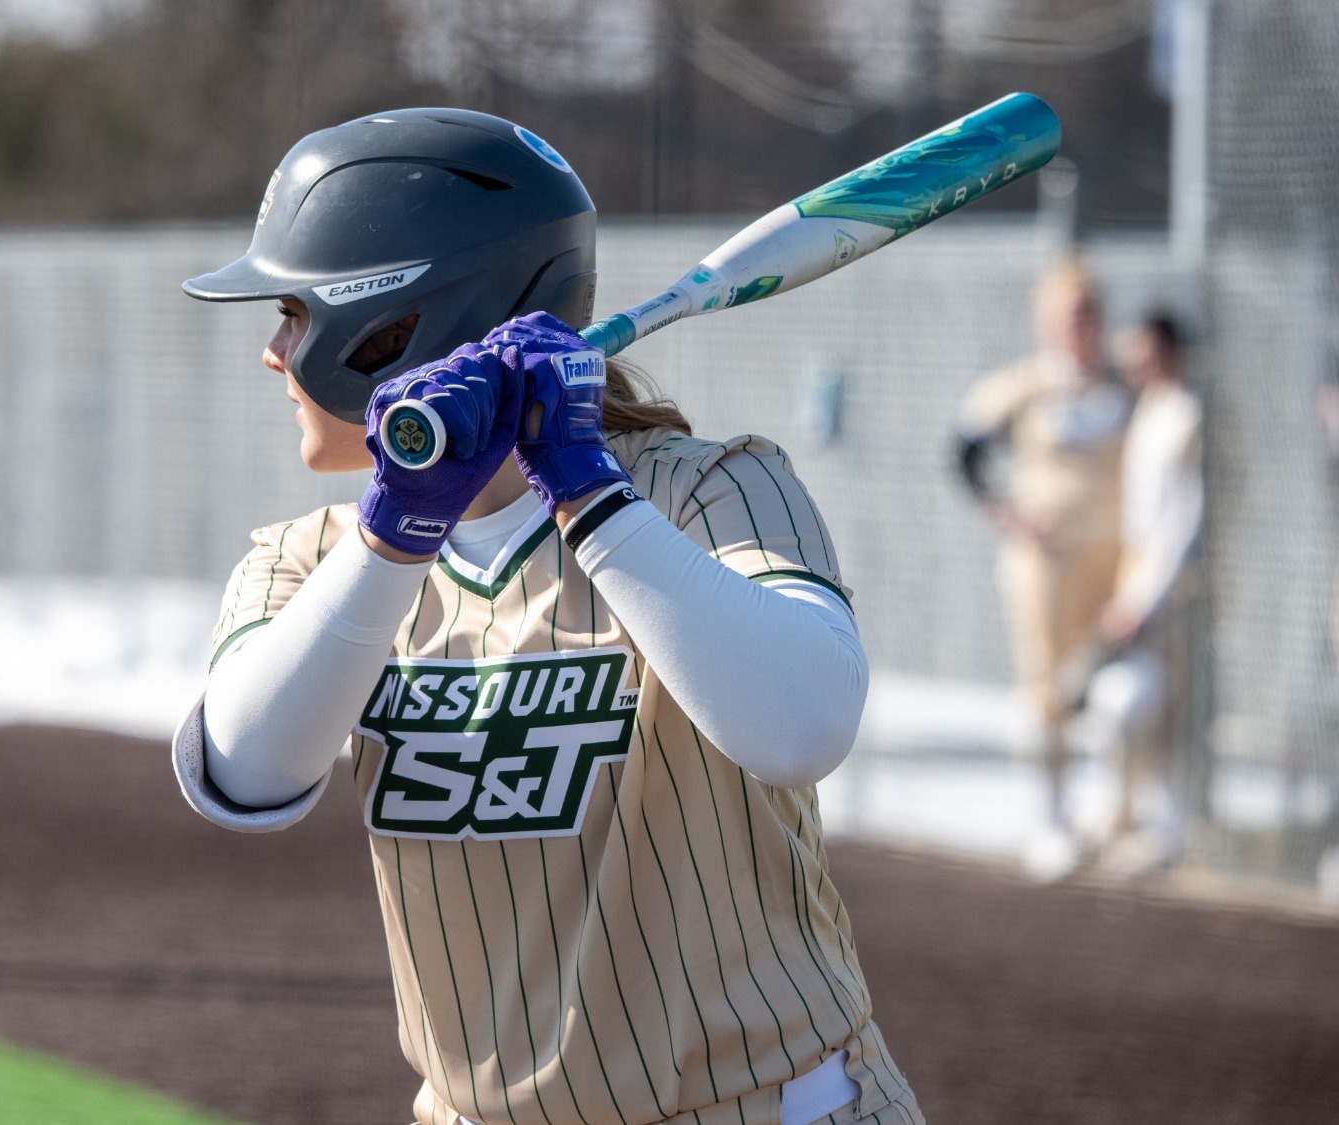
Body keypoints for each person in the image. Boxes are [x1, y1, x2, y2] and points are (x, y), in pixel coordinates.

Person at [175, 108, 921, 1125]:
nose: (272, 351)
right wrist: (401, 527)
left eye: (297, 312)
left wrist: (587, 494)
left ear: (400, 323)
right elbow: (246, 770)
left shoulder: (709, 495)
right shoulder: (311, 561)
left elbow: (800, 728)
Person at [954, 258, 1130, 882]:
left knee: (1119, 689)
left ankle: (1121, 817)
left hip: (1115, 559)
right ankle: (1048, 819)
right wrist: (1008, 514)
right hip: (1045, 564)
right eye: (1066, 315)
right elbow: (966, 449)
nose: (1079, 326)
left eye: (1088, 313)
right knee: (1047, 688)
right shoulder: (1027, 385)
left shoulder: (1121, 384)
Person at [1078, 311, 1202, 875]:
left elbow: (1181, 519)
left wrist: (1144, 600)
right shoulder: (1149, 411)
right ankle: (1124, 817)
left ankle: (1166, 829)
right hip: (1144, 584)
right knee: (1125, 704)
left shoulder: (1185, 415)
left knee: (1158, 709)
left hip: (1173, 592)